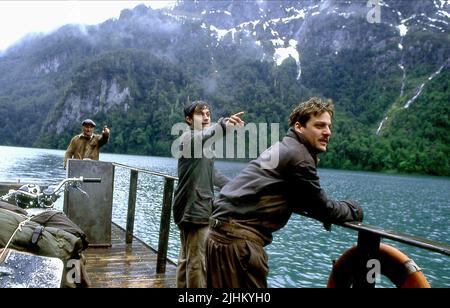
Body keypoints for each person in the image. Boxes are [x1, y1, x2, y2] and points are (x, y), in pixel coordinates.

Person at [205, 97, 364, 288]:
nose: (327, 132)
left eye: (329, 126)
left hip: (218, 234)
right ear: (299, 126)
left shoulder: (282, 147)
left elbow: (298, 196)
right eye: (319, 126)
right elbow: (322, 207)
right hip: (237, 244)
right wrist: (353, 209)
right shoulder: (300, 157)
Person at [173, 100, 245, 288]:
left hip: (190, 206)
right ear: (188, 120)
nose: (206, 117)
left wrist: (235, 187)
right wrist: (223, 125)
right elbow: (206, 135)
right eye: (200, 114)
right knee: (198, 264)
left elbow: (212, 174)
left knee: (186, 259)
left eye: (208, 113)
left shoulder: (203, 145)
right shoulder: (187, 138)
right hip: (194, 208)